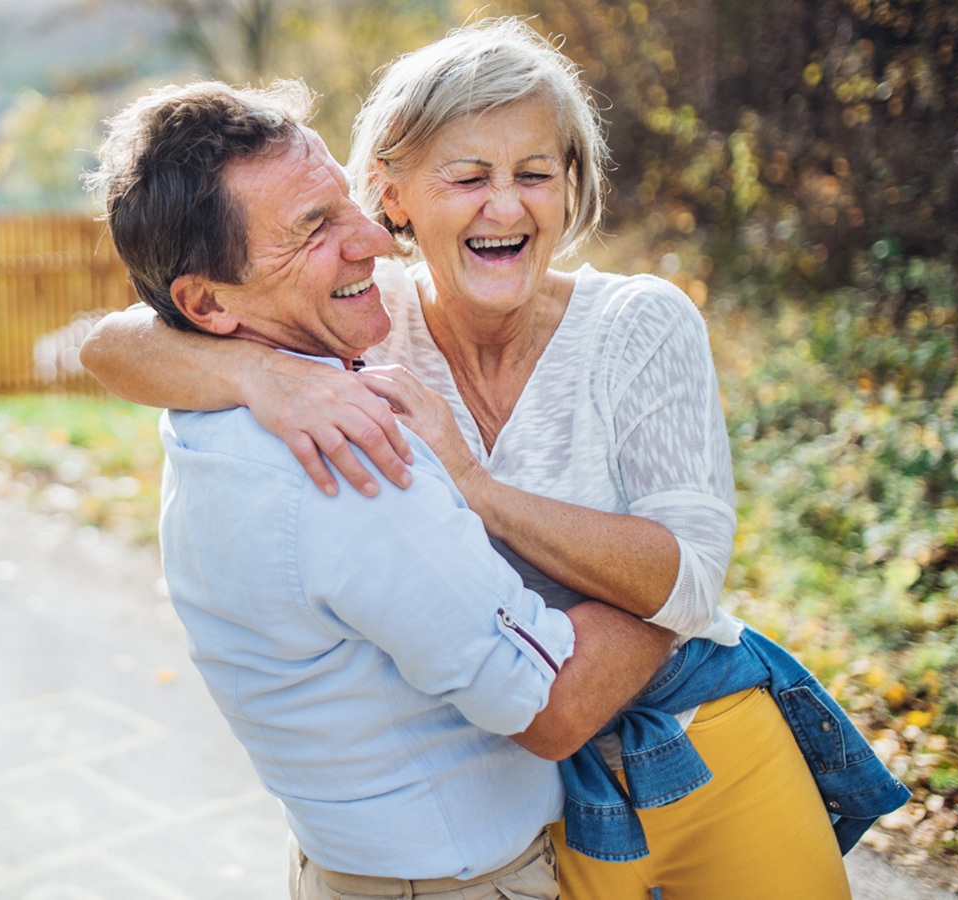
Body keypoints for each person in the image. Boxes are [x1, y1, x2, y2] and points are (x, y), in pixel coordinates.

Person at [81, 18, 907, 900]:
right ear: (392, 195)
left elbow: (691, 573)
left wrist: (478, 489)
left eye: (536, 174)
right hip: (549, 807)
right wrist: (258, 373)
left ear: (571, 186)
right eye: (469, 176)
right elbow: (110, 345)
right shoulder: (363, 318)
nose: (506, 207)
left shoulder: (638, 324)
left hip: (709, 739)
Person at [87, 77, 681, 900]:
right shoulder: (349, 459)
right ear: (207, 304)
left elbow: (114, 343)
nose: (372, 238)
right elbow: (550, 703)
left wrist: (253, 370)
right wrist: (676, 587)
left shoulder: (211, 411)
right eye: (313, 227)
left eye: (348, 202)